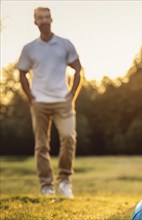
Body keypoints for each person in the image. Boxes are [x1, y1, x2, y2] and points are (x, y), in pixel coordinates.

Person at [17, 7, 82, 199]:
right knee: (41, 145)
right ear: (35, 22)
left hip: (63, 101)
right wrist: (30, 97)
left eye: (46, 17)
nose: (44, 20)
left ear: (51, 19)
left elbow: (78, 69)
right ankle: (46, 186)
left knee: (69, 138)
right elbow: (22, 73)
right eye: (40, 18)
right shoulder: (29, 49)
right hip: (40, 102)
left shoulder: (64, 44)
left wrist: (72, 95)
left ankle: (64, 181)